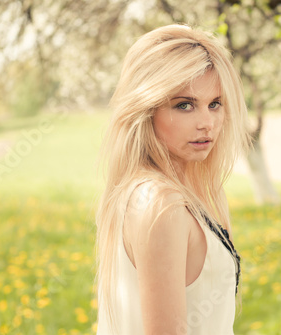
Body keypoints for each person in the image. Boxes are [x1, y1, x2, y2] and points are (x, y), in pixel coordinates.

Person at [94, 24, 251, 335]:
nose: (207, 123)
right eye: (184, 105)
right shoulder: (158, 203)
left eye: (215, 104)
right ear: (146, 109)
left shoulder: (192, 192)